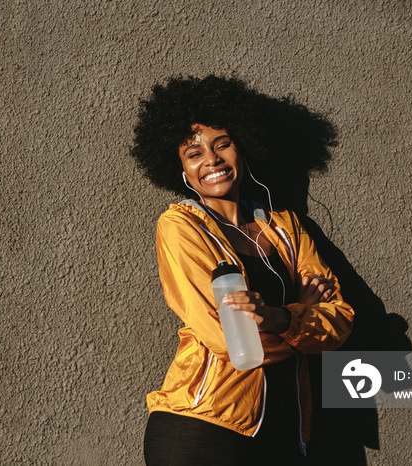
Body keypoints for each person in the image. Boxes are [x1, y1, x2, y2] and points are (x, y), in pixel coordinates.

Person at [130, 75, 355, 465]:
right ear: (180, 169)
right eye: (194, 153)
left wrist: (275, 317)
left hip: (283, 431)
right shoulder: (181, 226)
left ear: (243, 147)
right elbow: (227, 341)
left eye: (222, 145)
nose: (212, 160)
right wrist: (300, 320)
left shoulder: (286, 226)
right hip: (203, 426)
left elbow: (340, 321)